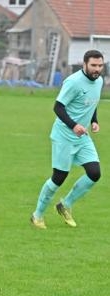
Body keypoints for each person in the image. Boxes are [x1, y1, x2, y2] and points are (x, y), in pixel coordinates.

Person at [30, 50, 104, 229]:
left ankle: (65, 204)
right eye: (93, 65)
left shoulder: (99, 81)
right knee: (59, 177)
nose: (97, 69)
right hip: (64, 136)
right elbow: (58, 107)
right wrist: (74, 125)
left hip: (82, 137)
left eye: (100, 65)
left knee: (94, 173)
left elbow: (91, 102)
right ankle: (37, 215)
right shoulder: (73, 82)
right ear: (84, 64)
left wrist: (94, 121)